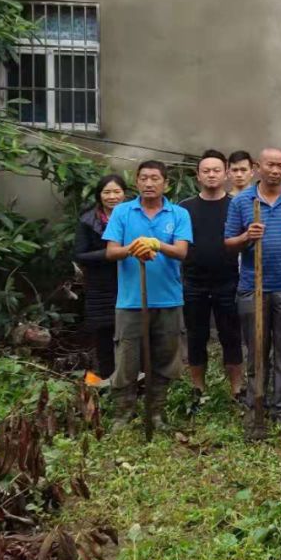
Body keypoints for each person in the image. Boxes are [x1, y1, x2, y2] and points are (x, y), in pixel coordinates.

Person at [225, 148, 281, 428]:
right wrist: (246, 236)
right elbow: (228, 244)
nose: (275, 170)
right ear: (257, 167)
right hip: (253, 287)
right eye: (270, 165)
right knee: (256, 350)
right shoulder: (242, 201)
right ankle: (256, 404)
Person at [103, 160, 192, 431]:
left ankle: (156, 414)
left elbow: (181, 251)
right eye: (144, 178)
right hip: (130, 301)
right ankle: (123, 415)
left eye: (155, 178)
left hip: (168, 299)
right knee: (127, 359)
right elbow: (110, 252)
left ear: (166, 183)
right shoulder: (122, 212)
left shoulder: (178, 214)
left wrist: (156, 244)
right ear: (137, 182)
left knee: (165, 360)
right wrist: (133, 247)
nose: (149, 183)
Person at [181, 149, 243, 407]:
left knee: (231, 335)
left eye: (216, 170)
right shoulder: (184, 208)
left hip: (228, 281)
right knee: (196, 336)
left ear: (226, 174)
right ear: (198, 176)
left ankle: (237, 390)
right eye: (206, 170)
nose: (211, 175)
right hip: (193, 282)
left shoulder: (235, 206)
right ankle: (198, 389)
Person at [74, 173, 127, 385]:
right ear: (99, 195)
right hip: (100, 286)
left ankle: (133, 380)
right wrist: (109, 254)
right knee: (104, 334)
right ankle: (107, 379)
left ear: (125, 194)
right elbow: (79, 254)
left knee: (131, 334)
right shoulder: (87, 221)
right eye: (107, 192)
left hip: (129, 282)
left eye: (117, 192)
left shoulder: (135, 217)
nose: (112, 196)